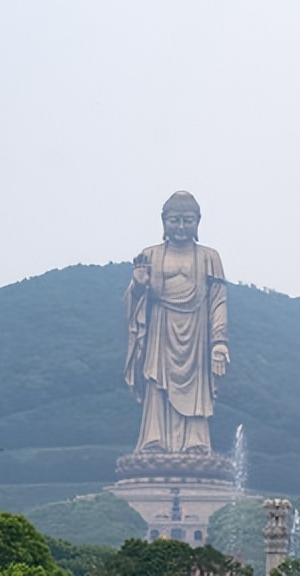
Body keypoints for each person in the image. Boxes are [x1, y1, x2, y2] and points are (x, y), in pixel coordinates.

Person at [124, 191, 229, 454]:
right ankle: (153, 440)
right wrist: (139, 286)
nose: (181, 227)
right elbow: (134, 301)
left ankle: (196, 442)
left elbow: (218, 300)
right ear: (163, 221)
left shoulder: (209, 257)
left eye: (188, 221)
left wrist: (219, 342)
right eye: (175, 220)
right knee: (156, 384)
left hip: (197, 331)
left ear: (198, 222)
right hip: (161, 327)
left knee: (196, 387)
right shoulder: (150, 255)